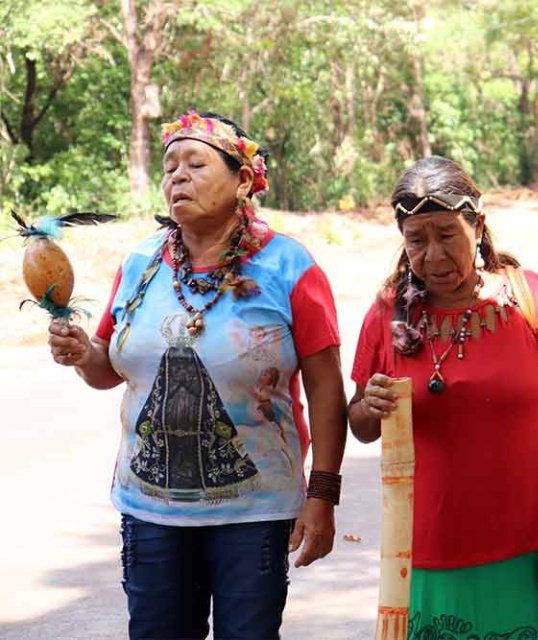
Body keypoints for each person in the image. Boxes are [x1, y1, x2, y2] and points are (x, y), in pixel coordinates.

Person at [46, 110, 347, 639]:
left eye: (195, 164)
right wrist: (80, 353)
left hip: (255, 512)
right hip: (150, 509)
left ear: (244, 180)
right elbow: (106, 370)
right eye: (168, 167)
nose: (176, 177)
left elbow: (326, 388)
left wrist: (322, 495)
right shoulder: (141, 264)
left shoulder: (288, 266)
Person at [349, 156, 538, 638]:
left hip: (525, 550)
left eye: (447, 234)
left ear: (477, 226)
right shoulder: (387, 312)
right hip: (423, 554)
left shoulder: (529, 298)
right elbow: (359, 423)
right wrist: (370, 405)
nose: (433, 256)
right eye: (416, 240)